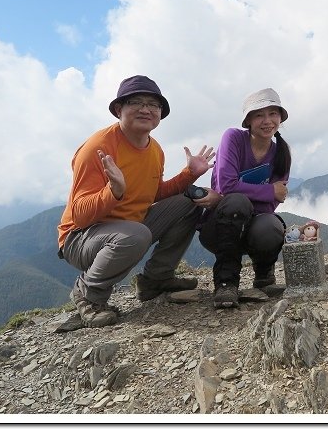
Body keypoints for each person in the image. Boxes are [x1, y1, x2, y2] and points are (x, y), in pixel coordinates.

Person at [57, 75, 218, 327]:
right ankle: (88, 295)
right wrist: (114, 192)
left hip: (131, 227)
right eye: (136, 102)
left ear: (160, 114)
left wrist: (190, 175)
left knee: (187, 203)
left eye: (153, 105)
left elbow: (152, 195)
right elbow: (79, 215)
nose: (146, 109)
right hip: (81, 238)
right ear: (119, 109)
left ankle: (157, 279)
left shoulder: (155, 150)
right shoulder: (97, 148)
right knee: (136, 234)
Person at [198, 88, 292, 308]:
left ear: (280, 118)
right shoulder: (233, 138)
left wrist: (250, 194)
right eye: (259, 114)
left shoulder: (281, 154)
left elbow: (272, 205)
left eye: (273, 114)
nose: (267, 121)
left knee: (270, 224)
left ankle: (264, 274)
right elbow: (227, 185)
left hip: (255, 227)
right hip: (220, 227)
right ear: (248, 120)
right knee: (236, 202)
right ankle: (226, 283)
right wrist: (269, 190)